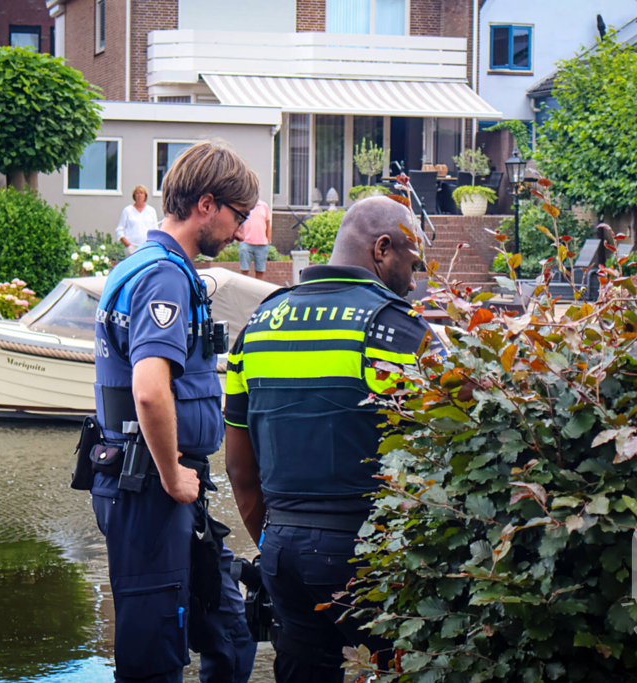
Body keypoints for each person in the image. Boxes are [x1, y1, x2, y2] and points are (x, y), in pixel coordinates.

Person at [224, 196, 436, 682]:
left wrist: (272, 540)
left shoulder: (257, 324)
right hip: (367, 553)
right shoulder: (392, 328)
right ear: (382, 250)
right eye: (412, 260)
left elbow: (239, 467)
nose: (414, 276)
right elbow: (446, 444)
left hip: (282, 553)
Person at [89, 141, 257, 683]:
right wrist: (171, 475)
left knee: (231, 631)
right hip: (152, 488)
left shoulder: (145, 266)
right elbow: (150, 391)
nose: (240, 230)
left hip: (168, 482)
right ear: (206, 204)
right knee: (153, 655)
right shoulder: (162, 276)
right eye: (239, 215)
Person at [117, 184, 159, 256]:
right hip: (132, 248)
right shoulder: (127, 210)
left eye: (141, 193)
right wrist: (128, 245)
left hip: (146, 247)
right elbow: (120, 229)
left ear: (145, 196)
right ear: (134, 195)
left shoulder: (151, 211)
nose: (139, 195)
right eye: (137, 193)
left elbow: (155, 230)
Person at [238, 199, 271, 279]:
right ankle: (243, 290)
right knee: (244, 271)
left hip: (262, 245)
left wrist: (268, 241)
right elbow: (238, 222)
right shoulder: (244, 205)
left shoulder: (264, 206)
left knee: (260, 271)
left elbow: (268, 225)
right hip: (245, 243)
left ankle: (258, 291)